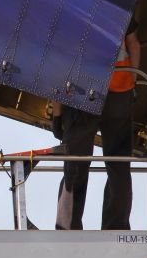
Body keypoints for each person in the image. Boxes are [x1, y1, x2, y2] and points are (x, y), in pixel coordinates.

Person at [53, 19, 141, 230]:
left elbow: (60, 62)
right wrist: (132, 81)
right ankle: (116, 226)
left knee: (75, 163)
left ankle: (68, 226)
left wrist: (57, 114)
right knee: (119, 164)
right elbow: (134, 44)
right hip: (119, 91)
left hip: (82, 93)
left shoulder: (72, 8)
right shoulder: (119, 1)